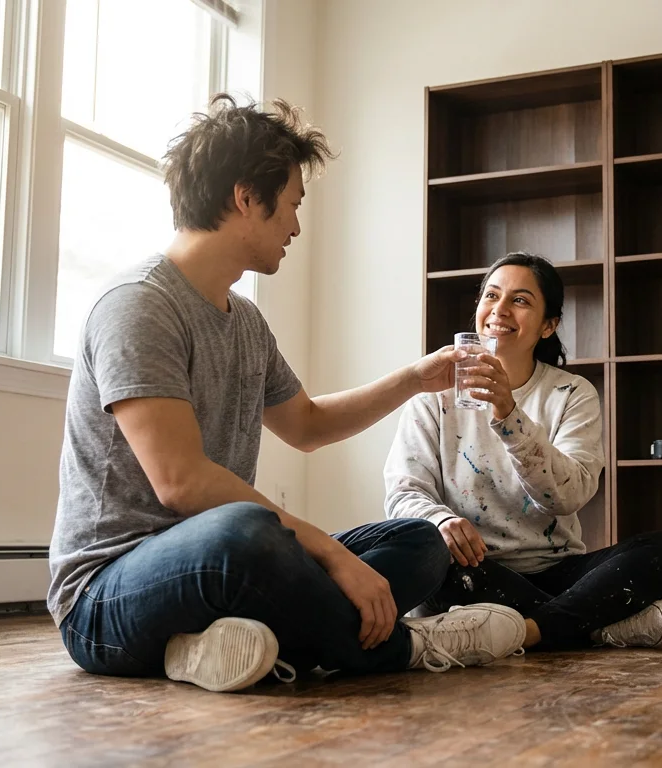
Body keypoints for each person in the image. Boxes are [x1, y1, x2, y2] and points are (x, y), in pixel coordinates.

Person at [48, 95, 526, 694]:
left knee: (418, 542)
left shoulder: (245, 321)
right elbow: (183, 483)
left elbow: (306, 425)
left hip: (223, 573)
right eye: (292, 206)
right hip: (106, 598)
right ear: (247, 197)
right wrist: (330, 554)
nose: (296, 227)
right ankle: (409, 645)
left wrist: (414, 378)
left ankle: (235, 649)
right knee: (243, 532)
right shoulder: (138, 306)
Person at [383, 252, 662, 651]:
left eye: (521, 300)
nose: (500, 310)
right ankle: (592, 624)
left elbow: (568, 496)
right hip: (473, 570)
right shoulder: (432, 396)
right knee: (430, 566)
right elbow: (404, 492)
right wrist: (439, 520)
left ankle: (527, 631)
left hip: (556, 568)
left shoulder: (571, 394)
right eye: (491, 296)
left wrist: (509, 414)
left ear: (549, 325)